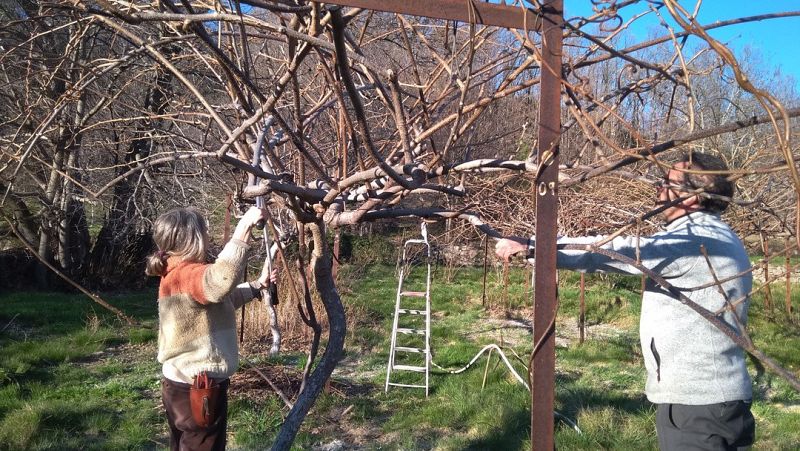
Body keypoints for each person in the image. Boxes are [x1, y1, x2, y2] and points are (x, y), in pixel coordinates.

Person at [496, 152, 755, 450]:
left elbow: (616, 252)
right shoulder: (714, 235)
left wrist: (535, 247)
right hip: (712, 398)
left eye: (666, 182)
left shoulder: (695, 239)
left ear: (692, 196)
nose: (658, 189)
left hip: (697, 406)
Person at [145, 206, 277, 451]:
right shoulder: (187, 274)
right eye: (204, 232)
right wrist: (244, 227)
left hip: (179, 384)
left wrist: (258, 285)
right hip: (197, 386)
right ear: (192, 239)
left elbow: (217, 302)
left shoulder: (176, 272)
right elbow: (220, 282)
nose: (208, 236)